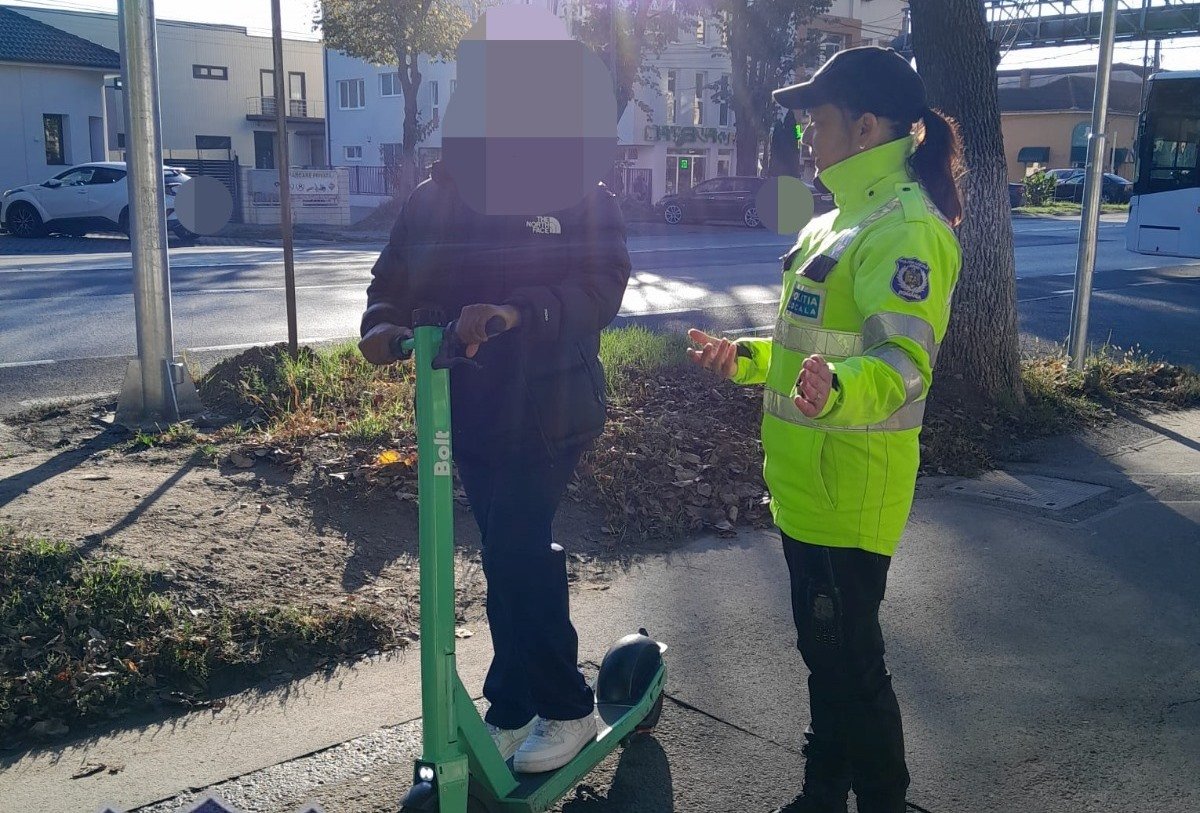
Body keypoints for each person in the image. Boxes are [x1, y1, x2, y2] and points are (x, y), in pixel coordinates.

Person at [688, 46, 965, 813]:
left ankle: (881, 800)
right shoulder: (832, 222)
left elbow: (905, 364)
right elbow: (813, 352)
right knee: (827, 654)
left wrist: (837, 389)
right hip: (808, 484)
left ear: (866, 124)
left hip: (851, 491)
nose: (807, 135)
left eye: (818, 120)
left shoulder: (907, 229)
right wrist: (743, 357)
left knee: (851, 663)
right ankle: (822, 790)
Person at [357, 159, 632, 773]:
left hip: (552, 408)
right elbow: (390, 281)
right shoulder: (434, 198)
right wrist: (382, 324)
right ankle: (512, 707)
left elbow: (601, 285)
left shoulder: (576, 189)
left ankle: (566, 708)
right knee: (506, 550)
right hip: (468, 407)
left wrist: (517, 311)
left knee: (513, 547)